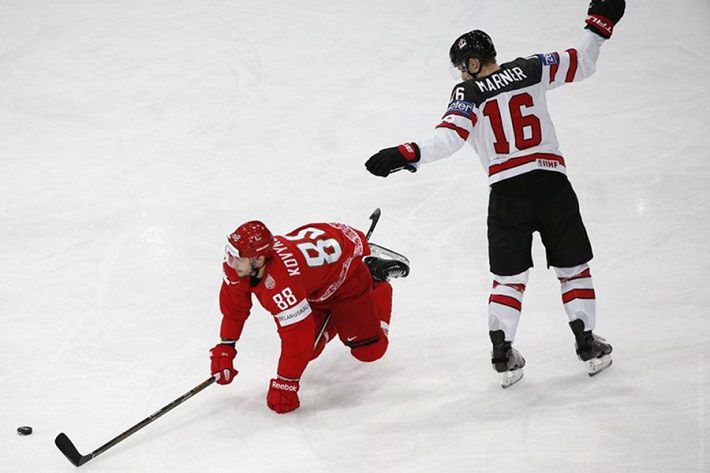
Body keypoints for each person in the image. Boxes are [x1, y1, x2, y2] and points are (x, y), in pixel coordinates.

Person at [365, 0, 624, 388]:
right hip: (552, 185)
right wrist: (599, 22)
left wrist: (405, 153)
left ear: (471, 62)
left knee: (508, 279)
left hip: (506, 194)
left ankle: (503, 350)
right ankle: (587, 343)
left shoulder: (467, 91)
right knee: (574, 269)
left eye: (460, 64)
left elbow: (448, 139)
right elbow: (583, 61)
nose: (459, 71)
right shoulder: (532, 68)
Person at [209, 220, 410, 413]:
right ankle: (338, 312)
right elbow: (234, 306)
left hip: (347, 280)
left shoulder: (281, 283)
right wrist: (226, 346)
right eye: (229, 254)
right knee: (310, 350)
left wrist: (286, 383)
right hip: (315, 282)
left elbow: (297, 337)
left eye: (236, 257)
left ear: (259, 259)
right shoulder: (241, 267)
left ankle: (375, 277)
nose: (230, 262)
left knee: (371, 351)